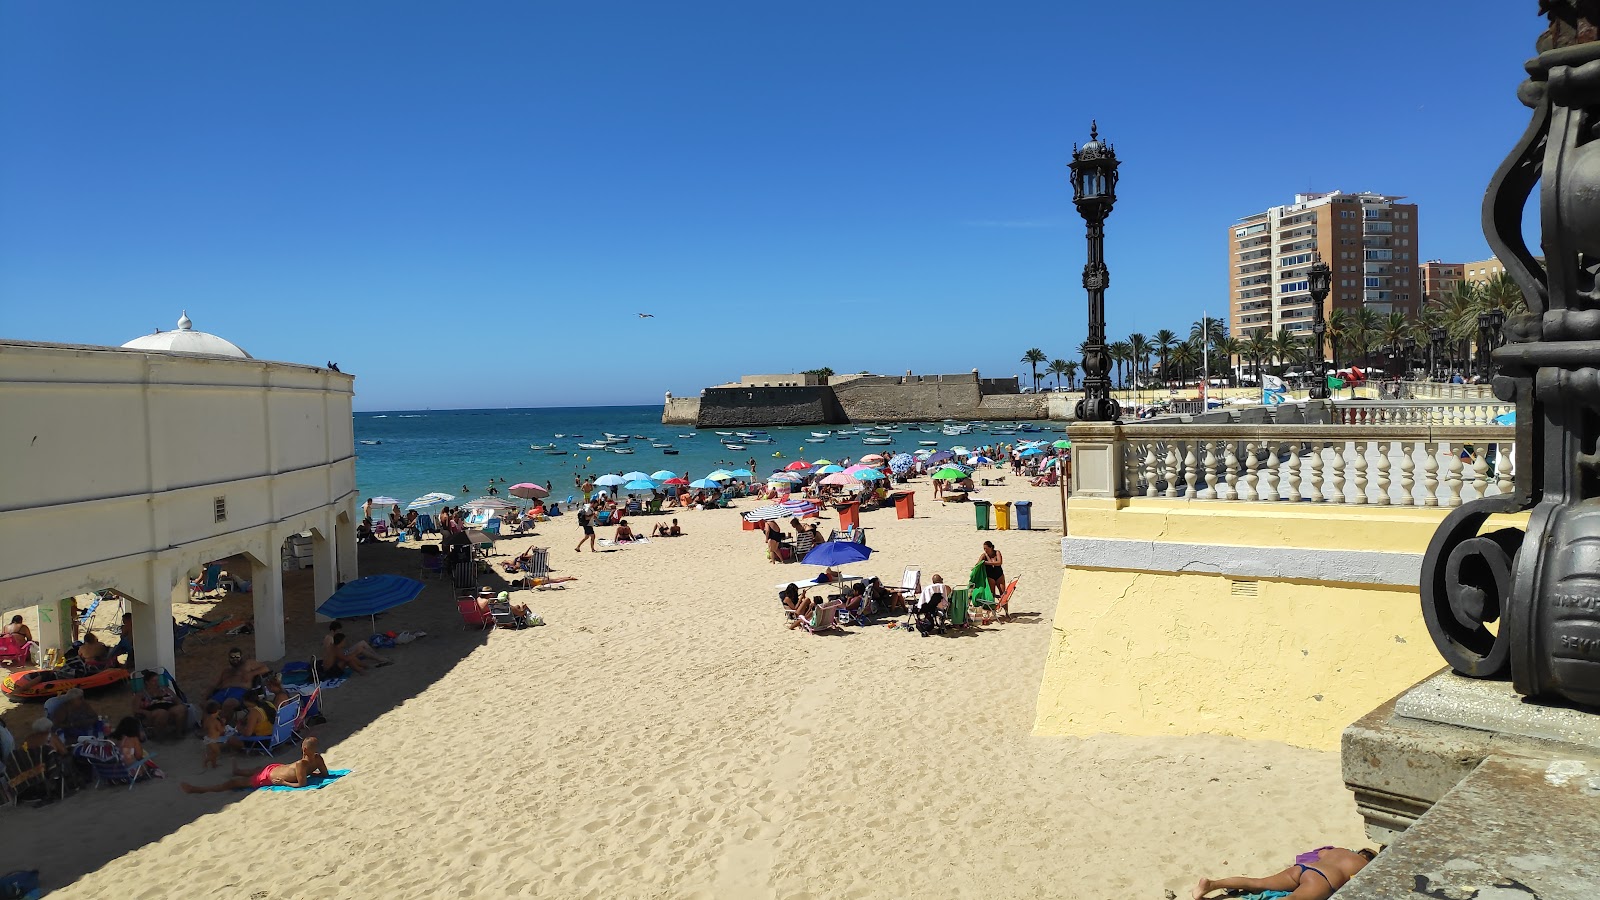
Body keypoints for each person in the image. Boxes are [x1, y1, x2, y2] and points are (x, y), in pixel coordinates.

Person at [1194, 846, 1376, 899]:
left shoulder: (1339, 851)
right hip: (1322, 881)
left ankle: (1211, 884)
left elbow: (1320, 853)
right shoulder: (1364, 866)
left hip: (1305, 870)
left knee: (1258, 883)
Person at [182, 737, 329, 793]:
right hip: (276, 768)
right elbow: (325, 775)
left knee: (234, 783)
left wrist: (284, 783)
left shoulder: (300, 765)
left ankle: (198, 789)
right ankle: (238, 770)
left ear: (303, 749)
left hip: (269, 777)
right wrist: (312, 773)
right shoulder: (318, 758)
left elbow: (302, 785)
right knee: (258, 769)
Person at [209, 647, 269, 716]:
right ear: (229, 658)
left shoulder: (248, 664)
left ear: (241, 657)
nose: (235, 659)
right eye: (232, 657)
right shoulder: (226, 670)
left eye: (237, 657)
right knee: (209, 704)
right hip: (223, 691)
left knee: (228, 703)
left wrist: (251, 673)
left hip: (240, 690)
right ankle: (205, 725)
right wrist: (206, 695)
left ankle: (224, 724)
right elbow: (215, 684)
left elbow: (265, 668)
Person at [133, 670, 187, 739]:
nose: (156, 683)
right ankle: (159, 735)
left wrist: (180, 704)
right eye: (153, 681)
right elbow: (136, 709)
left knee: (181, 708)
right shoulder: (141, 694)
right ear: (147, 682)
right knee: (162, 713)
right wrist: (146, 712)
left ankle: (178, 733)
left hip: (169, 708)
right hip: (153, 712)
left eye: (157, 680)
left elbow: (176, 699)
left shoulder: (165, 689)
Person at [322, 621, 390, 669]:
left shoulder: (329, 636)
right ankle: (379, 658)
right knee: (361, 649)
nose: (340, 632)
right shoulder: (330, 639)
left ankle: (378, 656)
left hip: (342, 653)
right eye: (339, 630)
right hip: (340, 657)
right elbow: (332, 655)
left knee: (362, 642)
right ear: (334, 630)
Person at [200, 701, 233, 769]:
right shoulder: (215, 721)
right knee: (217, 752)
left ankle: (214, 765)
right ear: (217, 711)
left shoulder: (207, 719)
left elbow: (205, 727)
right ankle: (206, 761)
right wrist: (223, 723)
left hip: (208, 738)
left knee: (213, 753)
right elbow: (221, 730)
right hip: (212, 740)